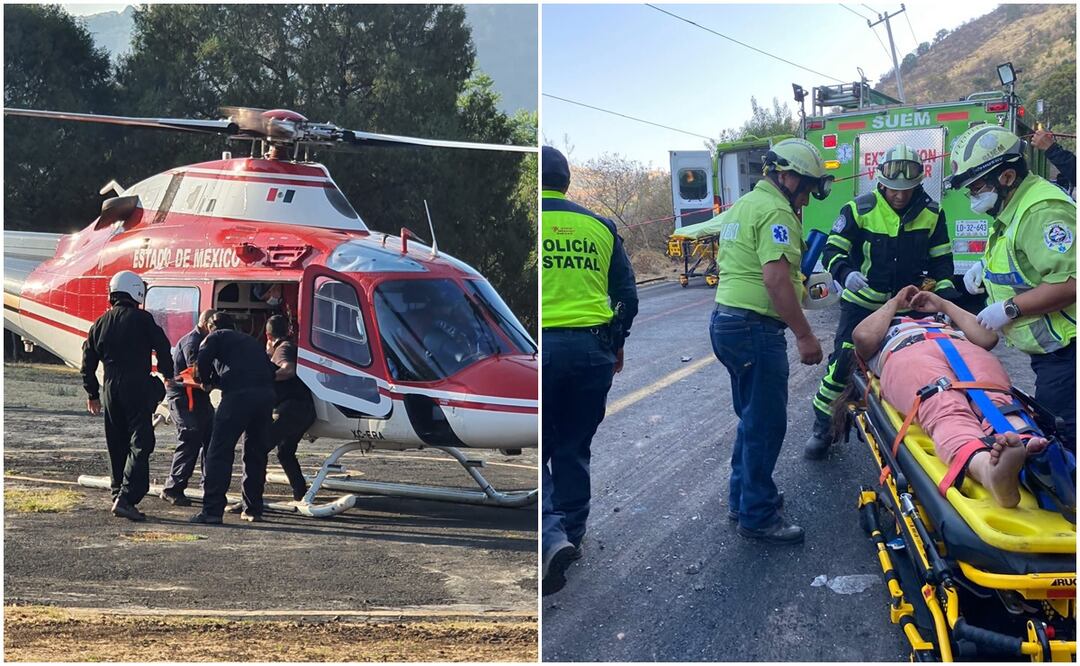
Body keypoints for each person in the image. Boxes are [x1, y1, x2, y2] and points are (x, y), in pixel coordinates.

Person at [806, 143, 961, 460]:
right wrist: (845, 272)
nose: (899, 196)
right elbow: (833, 249)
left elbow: (942, 263)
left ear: (918, 184)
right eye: (893, 189)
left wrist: (944, 301)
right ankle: (823, 429)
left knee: (918, 366)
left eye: (906, 190)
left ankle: (912, 430)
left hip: (909, 306)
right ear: (880, 182)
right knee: (842, 365)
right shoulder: (858, 209)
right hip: (862, 306)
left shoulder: (932, 214)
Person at [710, 137, 826, 545]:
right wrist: (805, 335)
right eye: (807, 188)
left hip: (727, 321)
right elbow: (775, 280)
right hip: (754, 329)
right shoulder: (776, 210)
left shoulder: (745, 204)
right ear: (788, 177)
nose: (807, 200)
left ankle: (743, 499)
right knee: (765, 424)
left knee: (752, 419)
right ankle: (758, 516)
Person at [842, 286, 1049, 507]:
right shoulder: (881, 325)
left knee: (995, 399)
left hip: (961, 349)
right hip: (907, 352)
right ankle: (988, 468)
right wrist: (894, 302)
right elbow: (862, 338)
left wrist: (943, 305)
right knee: (944, 406)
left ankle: (1029, 449)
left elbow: (987, 337)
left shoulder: (944, 320)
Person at [541, 145, 638, 595]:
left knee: (537, 445)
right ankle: (572, 534)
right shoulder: (599, 226)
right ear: (565, 182)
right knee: (574, 445)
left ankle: (548, 536)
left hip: (539, 350)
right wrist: (615, 342)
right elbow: (626, 297)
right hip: (591, 351)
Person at [951, 125, 1076, 451]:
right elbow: (1023, 257)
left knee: (1064, 444)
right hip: (1053, 355)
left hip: (1069, 353)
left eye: (976, 186)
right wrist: (985, 268)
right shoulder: (1014, 207)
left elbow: (1071, 283)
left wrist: (1010, 309)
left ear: (1006, 177)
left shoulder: (1041, 210)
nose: (972, 195)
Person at [80, 270, 174, 521]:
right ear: (137, 292)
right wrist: (167, 373)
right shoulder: (143, 319)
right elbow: (162, 346)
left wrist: (92, 393)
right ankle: (127, 497)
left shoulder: (100, 323)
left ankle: (117, 493)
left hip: (110, 387)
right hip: (136, 384)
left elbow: (87, 361)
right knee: (141, 442)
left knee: (116, 442)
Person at [189, 312, 277, 524]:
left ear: (211, 327)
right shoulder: (251, 341)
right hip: (265, 396)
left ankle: (212, 510)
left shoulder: (215, 336)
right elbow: (271, 369)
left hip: (238, 396)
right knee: (255, 453)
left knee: (219, 451)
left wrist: (206, 381)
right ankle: (253, 509)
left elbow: (201, 362)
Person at [159, 309, 216, 506]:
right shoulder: (193, 343)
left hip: (198, 397)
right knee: (190, 436)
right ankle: (172, 488)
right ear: (207, 325)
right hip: (183, 397)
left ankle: (208, 486)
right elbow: (195, 373)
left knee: (211, 437)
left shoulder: (202, 340)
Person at [265, 314, 315, 502]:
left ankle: (251, 497)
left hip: (292, 410)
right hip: (304, 410)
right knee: (285, 451)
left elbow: (288, 369)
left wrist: (265, 377)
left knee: (259, 449)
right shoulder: (291, 346)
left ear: (268, 336)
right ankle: (300, 492)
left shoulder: (282, 349)